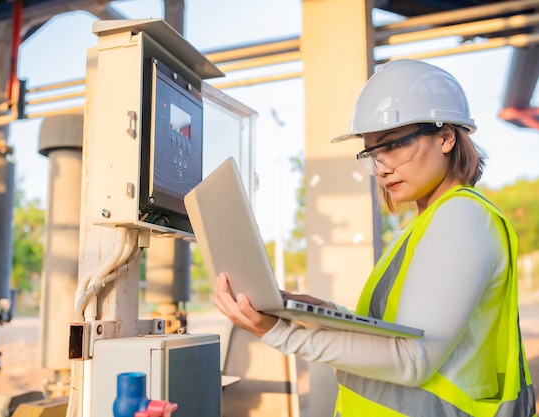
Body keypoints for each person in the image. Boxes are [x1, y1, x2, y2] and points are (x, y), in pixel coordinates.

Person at [213, 59, 537, 417]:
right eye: (371, 153)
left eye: (393, 145)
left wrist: (279, 332)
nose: (381, 167)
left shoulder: (461, 216)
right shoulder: (421, 226)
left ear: (446, 137)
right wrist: (321, 313)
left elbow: (414, 359)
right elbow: (399, 332)